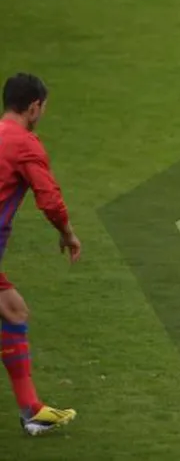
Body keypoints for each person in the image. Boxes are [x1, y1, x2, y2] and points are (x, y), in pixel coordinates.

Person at [0, 73, 81, 436]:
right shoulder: (25, 145)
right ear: (34, 107)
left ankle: (31, 410)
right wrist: (68, 234)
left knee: (13, 310)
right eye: (43, 107)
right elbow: (49, 200)